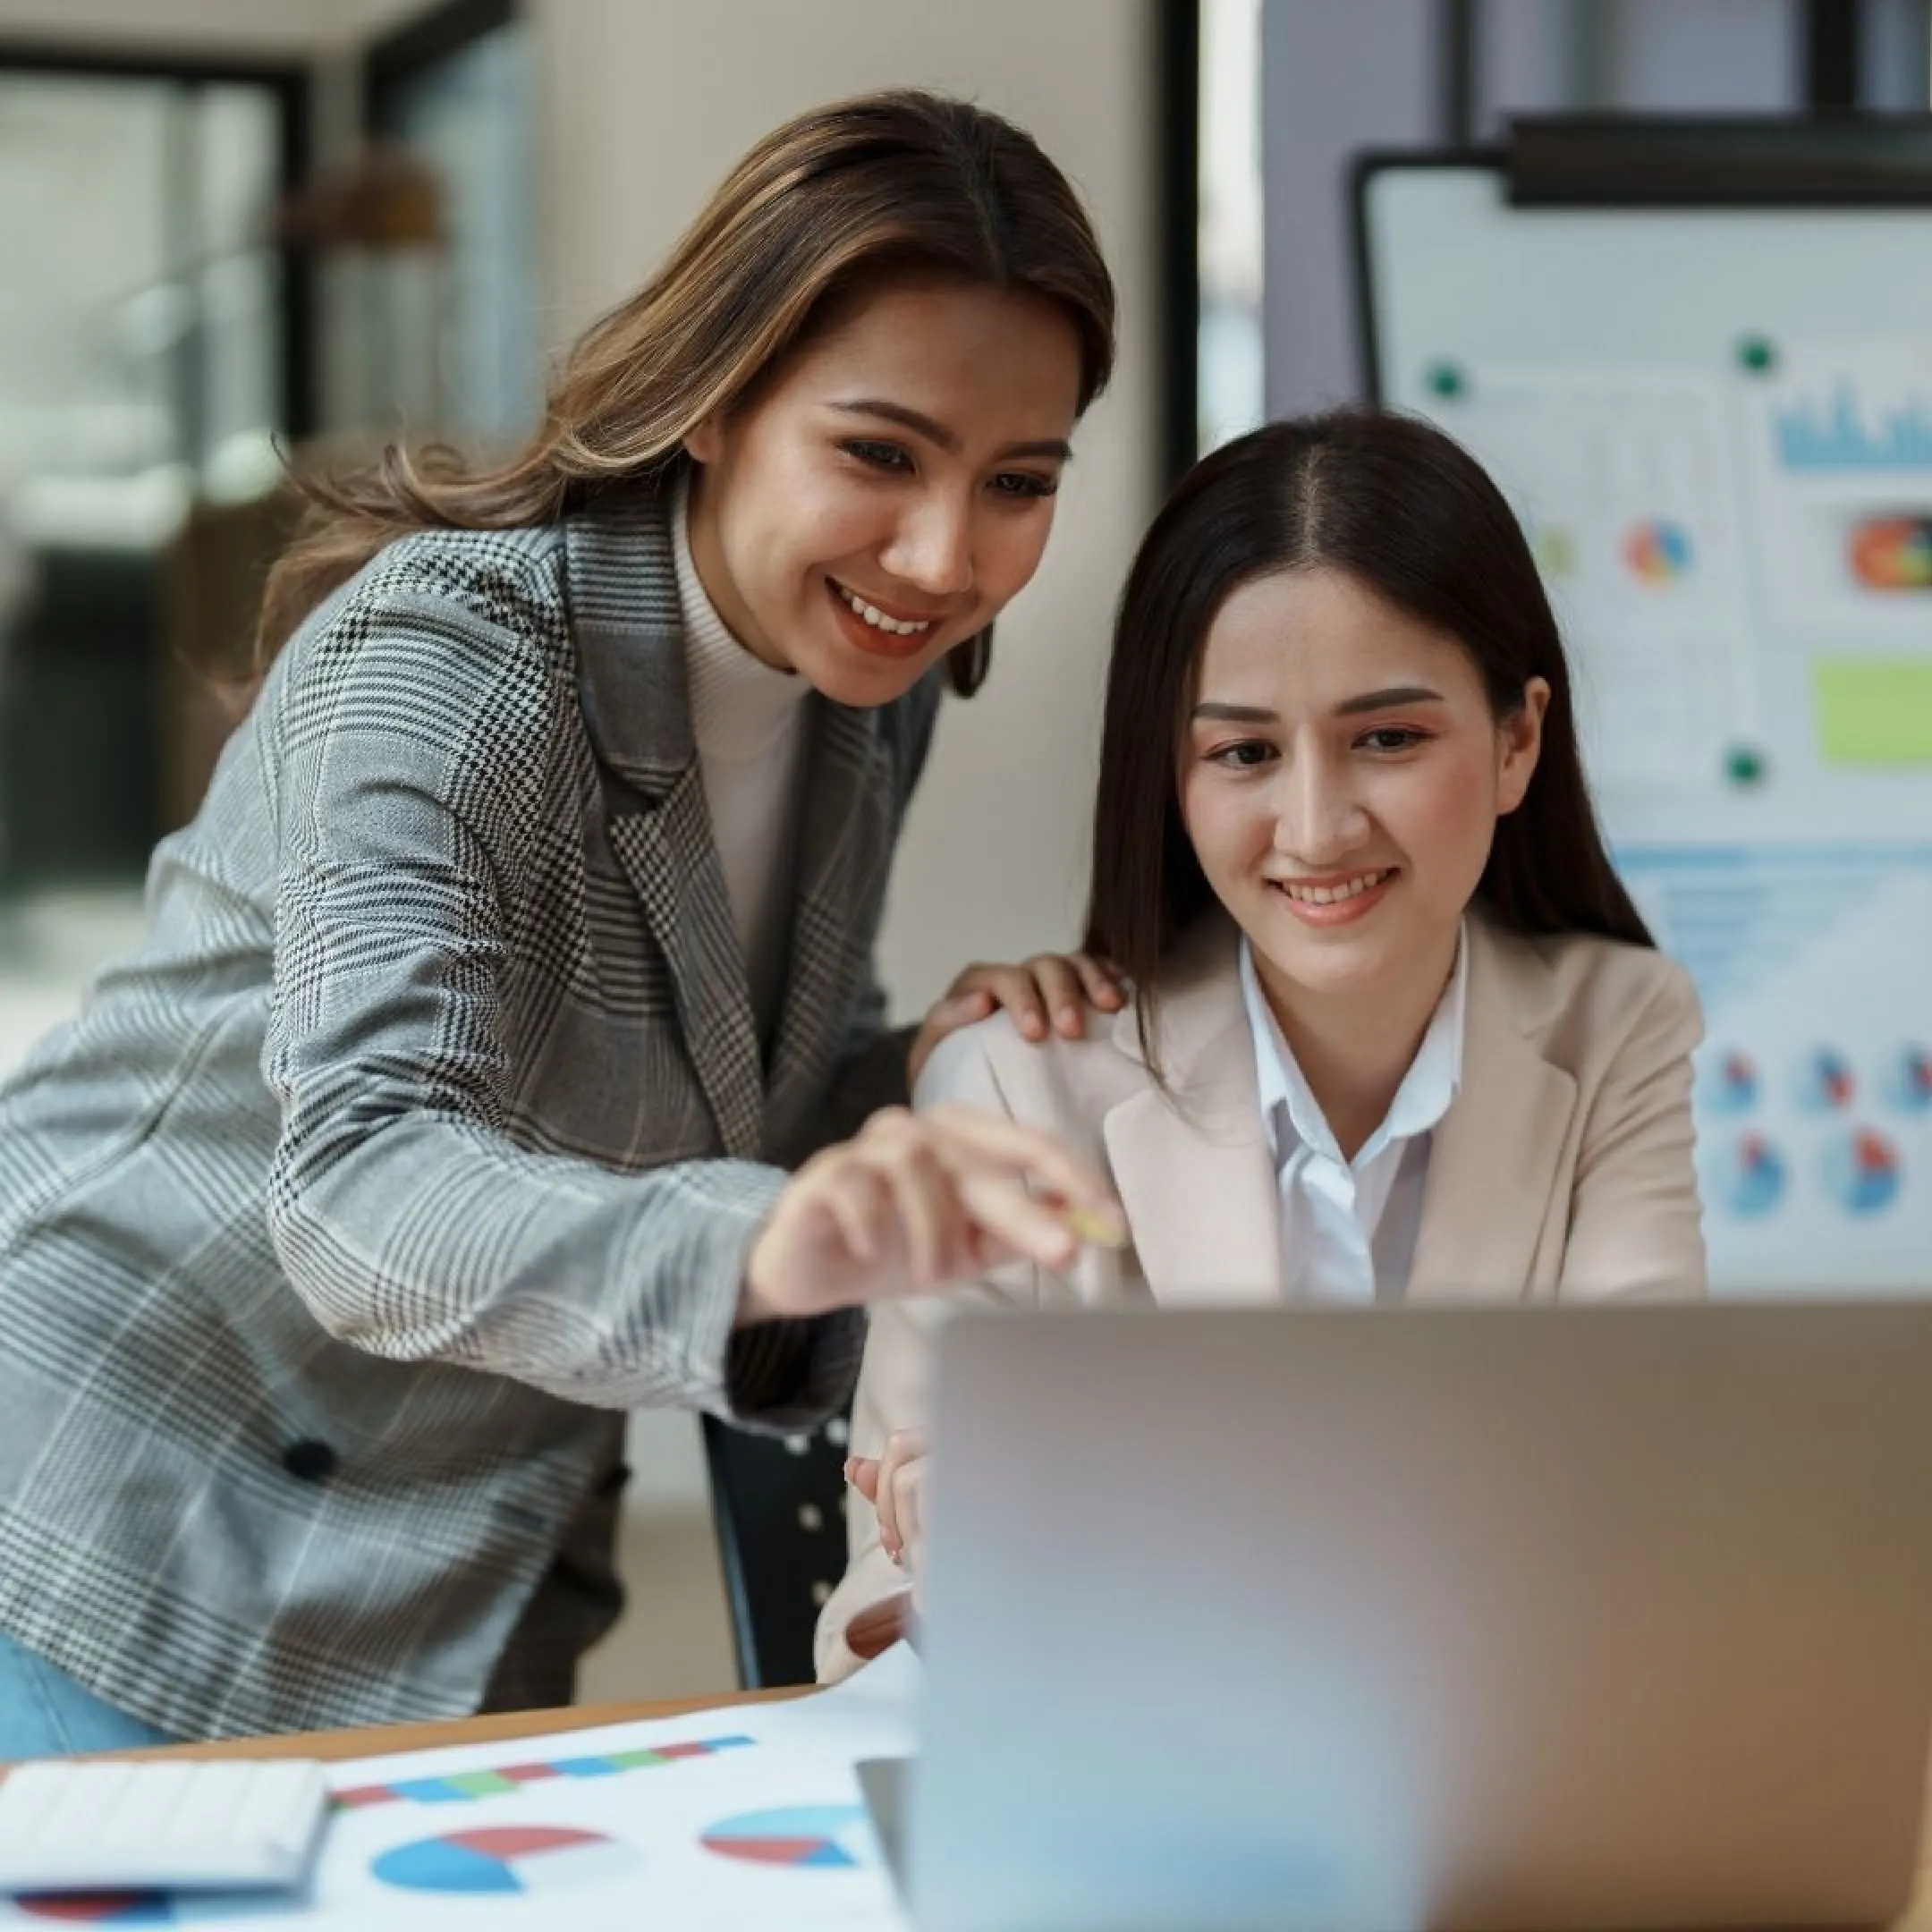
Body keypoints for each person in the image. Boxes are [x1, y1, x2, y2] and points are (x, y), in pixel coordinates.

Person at [0, 89, 1131, 1754]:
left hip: (467, 1541)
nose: (944, 555)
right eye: (879, 453)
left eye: (1018, 481)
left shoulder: (870, 682)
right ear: (717, 400)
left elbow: (719, 1089)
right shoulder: (453, 666)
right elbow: (367, 1181)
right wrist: (767, 1242)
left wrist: (924, 1079)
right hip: (124, 1499)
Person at [817, 409, 1708, 1680]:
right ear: (1171, 784)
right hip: (1140, 1815)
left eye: (1388, 738)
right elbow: (868, 1630)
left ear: (1517, 740)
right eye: (1242, 752)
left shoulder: (1617, 1028)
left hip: (1500, 1809)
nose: (1316, 826)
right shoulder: (1015, 1083)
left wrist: (1098, 1526)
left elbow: (1649, 1504)